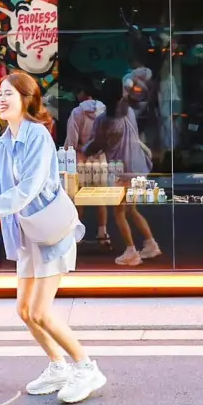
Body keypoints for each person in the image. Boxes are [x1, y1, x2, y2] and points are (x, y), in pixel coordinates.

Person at [0, 71, 107, 403]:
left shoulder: (38, 136)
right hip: (25, 236)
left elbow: (28, 190)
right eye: (0, 93)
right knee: (24, 310)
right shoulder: (0, 146)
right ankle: (58, 366)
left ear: (28, 99)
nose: (2, 98)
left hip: (50, 232)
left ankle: (86, 367)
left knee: (40, 311)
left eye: (10, 93)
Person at [87, 77, 159, 266]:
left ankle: (131, 251)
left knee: (119, 212)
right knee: (131, 209)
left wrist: (85, 150)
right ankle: (150, 244)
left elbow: (95, 145)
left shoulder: (104, 120)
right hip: (140, 168)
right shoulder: (129, 112)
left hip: (123, 172)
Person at [65, 80, 109, 248]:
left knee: (79, 199)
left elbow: (71, 140)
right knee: (101, 200)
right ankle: (102, 233)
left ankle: (78, 236)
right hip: (101, 160)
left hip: (81, 160)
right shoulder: (105, 111)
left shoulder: (77, 112)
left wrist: (71, 151)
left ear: (83, 92)